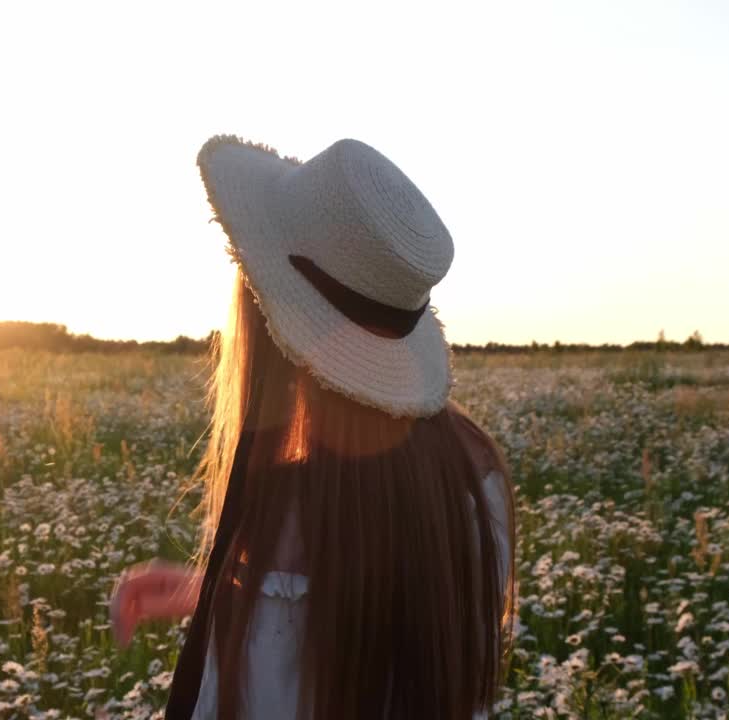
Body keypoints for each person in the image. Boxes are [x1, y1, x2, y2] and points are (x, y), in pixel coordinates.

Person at [109, 135, 516, 719]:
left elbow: (287, 657)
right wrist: (218, 586)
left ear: (265, 316)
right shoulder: (473, 474)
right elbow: (370, 621)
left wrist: (248, 592)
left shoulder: (283, 510)